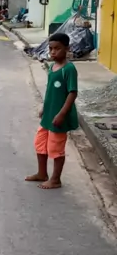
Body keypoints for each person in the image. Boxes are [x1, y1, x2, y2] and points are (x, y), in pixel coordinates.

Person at [25, 32, 78, 190]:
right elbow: (50, 91)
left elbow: (72, 93)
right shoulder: (53, 67)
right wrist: (44, 107)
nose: (53, 52)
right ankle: (42, 173)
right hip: (48, 115)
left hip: (59, 116)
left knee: (55, 148)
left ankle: (55, 179)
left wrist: (61, 114)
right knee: (40, 143)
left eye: (57, 48)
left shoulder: (69, 69)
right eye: (51, 49)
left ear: (67, 49)